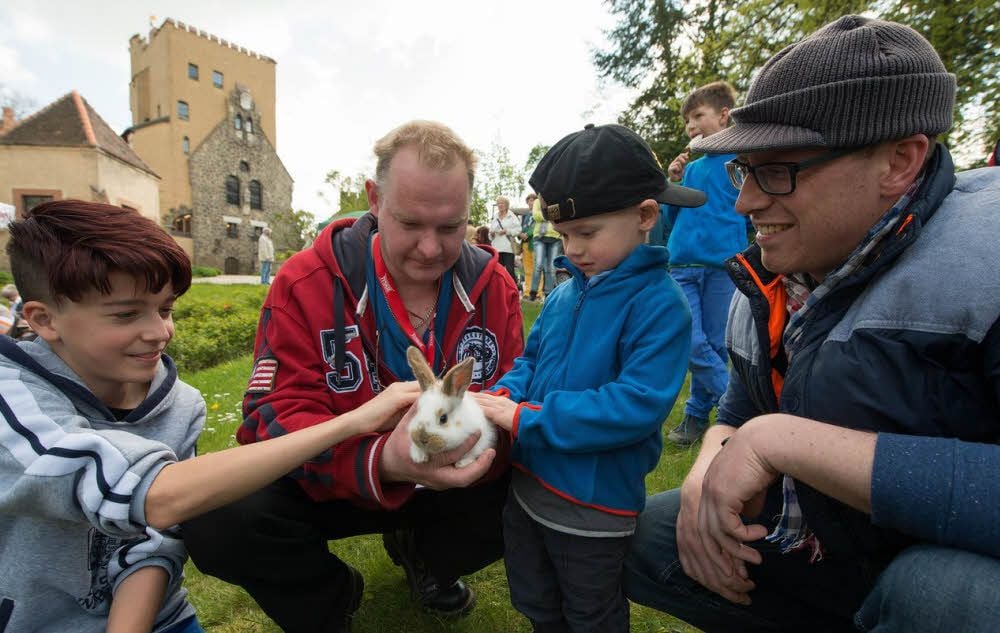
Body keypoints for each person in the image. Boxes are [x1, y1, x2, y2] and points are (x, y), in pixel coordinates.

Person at [624, 15, 1000, 633]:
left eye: (778, 171)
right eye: (744, 170)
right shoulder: (772, 278)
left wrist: (783, 440)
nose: (745, 202)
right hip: (835, 548)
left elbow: (766, 432)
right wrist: (707, 466)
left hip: (923, 564)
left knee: (939, 594)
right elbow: (740, 411)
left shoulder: (983, 265)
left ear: (900, 161)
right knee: (654, 536)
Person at [0, 200, 421, 633]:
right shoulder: (11, 399)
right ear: (44, 319)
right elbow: (146, 495)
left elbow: (152, 540)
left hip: (160, 620)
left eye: (165, 309)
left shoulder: (179, 405)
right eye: (126, 314)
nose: (159, 331)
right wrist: (352, 422)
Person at [181, 120, 525, 633]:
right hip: (337, 482)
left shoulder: (493, 285)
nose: (430, 249)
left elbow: (516, 388)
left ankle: (431, 561)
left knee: (541, 474)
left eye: (450, 227)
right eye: (410, 224)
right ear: (374, 200)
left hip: (456, 482)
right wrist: (382, 459)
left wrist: (477, 438)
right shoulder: (305, 281)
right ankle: (331, 598)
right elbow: (269, 419)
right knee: (219, 515)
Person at [475, 123, 704, 632]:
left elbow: (634, 405)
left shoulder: (660, 306)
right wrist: (501, 396)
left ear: (645, 216)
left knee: (591, 614)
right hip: (529, 488)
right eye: (564, 237)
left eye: (588, 233)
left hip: (593, 509)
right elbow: (531, 364)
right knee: (536, 602)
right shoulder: (561, 294)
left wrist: (525, 417)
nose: (573, 249)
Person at [661, 81, 749, 446]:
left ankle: (696, 419)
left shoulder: (741, 164)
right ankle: (741, 409)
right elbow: (667, 222)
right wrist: (672, 183)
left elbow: (748, 216)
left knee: (713, 344)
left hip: (723, 268)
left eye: (698, 116)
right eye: (687, 121)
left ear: (724, 115)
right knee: (689, 339)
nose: (691, 125)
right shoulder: (691, 170)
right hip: (682, 266)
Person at [528, 191, 561, 302]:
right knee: (538, 265)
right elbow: (536, 216)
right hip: (540, 237)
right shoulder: (537, 201)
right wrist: (551, 213)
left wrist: (545, 213)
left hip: (555, 237)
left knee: (551, 268)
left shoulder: (558, 199)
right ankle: (533, 292)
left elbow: (560, 215)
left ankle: (548, 294)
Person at [490, 195, 522, 283]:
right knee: (497, 270)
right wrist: (492, 234)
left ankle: (514, 288)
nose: (500, 205)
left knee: (510, 270)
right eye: (498, 203)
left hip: (508, 248)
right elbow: (491, 231)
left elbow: (518, 230)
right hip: (496, 247)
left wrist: (507, 231)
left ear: (507, 205)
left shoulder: (511, 216)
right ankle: (500, 288)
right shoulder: (495, 216)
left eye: (502, 203)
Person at [520, 193, 537, 298]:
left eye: (533, 200)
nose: (531, 202)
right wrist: (520, 234)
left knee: (537, 268)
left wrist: (528, 234)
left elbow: (537, 227)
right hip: (525, 244)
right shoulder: (525, 216)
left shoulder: (538, 213)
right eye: (529, 200)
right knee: (527, 269)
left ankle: (537, 292)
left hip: (535, 243)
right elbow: (521, 228)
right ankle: (527, 291)